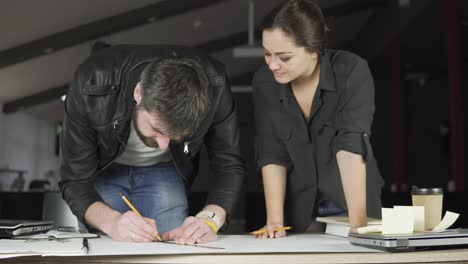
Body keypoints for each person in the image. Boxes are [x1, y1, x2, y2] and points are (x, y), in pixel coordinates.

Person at [59, 45, 245, 244]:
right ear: (139, 92)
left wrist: (210, 220)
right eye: (157, 129)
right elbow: (74, 180)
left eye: (175, 137)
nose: (164, 145)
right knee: (106, 250)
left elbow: (229, 165)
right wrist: (112, 222)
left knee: (171, 253)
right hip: (105, 171)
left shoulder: (214, 86)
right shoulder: (91, 80)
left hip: (166, 170)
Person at [252, 0, 384, 238]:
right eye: (267, 53)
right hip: (301, 210)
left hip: (352, 204)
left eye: (284, 57)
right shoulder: (265, 84)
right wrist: (274, 221)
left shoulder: (351, 72)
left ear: (314, 50)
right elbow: (272, 153)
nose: (273, 65)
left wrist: (359, 225)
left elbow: (350, 147)